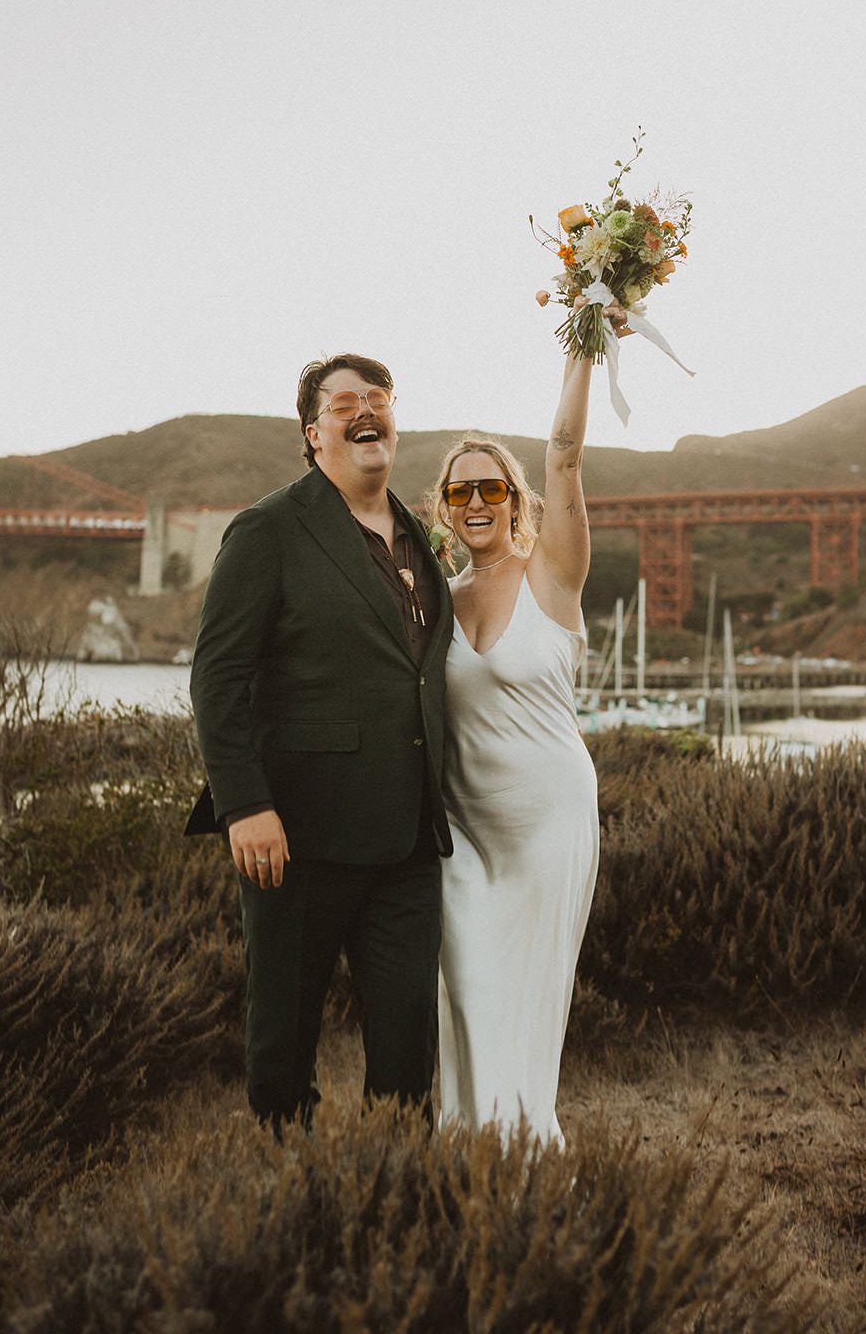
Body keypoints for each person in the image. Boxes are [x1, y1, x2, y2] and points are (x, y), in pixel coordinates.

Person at [185, 354, 454, 1132]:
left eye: (378, 399)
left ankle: (396, 1194)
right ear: (314, 434)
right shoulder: (269, 528)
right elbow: (218, 677)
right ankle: (284, 1193)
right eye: (344, 403)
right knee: (284, 1039)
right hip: (297, 833)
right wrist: (245, 806)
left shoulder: (417, 533)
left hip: (408, 838)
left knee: (407, 1046)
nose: (365, 410)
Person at [433, 338, 619, 1144]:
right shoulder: (433, 600)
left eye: (492, 487)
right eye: (459, 489)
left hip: (549, 823)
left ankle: (524, 1169)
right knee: (468, 991)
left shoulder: (553, 573)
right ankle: (463, 1158)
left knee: (527, 1009)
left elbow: (567, 455)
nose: (477, 500)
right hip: (463, 834)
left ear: (515, 500)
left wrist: (587, 337)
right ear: (442, 506)